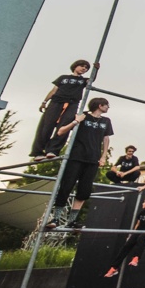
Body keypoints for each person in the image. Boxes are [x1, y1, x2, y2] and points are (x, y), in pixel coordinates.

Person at [45, 97, 113, 230]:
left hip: (93, 159)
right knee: (66, 186)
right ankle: (56, 218)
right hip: (76, 156)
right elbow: (61, 131)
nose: (108, 108)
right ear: (100, 105)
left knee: (84, 190)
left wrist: (103, 156)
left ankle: (72, 221)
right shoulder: (83, 116)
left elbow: (106, 138)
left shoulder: (106, 121)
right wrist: (76, 121)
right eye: (107, 105)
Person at [30, 59, 94, 160]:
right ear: (75, 66)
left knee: (64, 127)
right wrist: (44, 102)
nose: (84, 69)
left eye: (86, 68)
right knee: (46, 126)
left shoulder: (83, 80)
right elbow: (54, 90)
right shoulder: (63, 78)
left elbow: (92, 79)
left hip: (72, 104)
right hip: (56, 102)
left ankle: (52, 150)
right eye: (82, 66)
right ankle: (38, 152)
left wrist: (96, 69)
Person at [104, 197, 145, 278]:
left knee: (140, 239)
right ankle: (114, 268)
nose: (143, 203)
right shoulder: (142, 212)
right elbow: (137, 224)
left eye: (144, 202)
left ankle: (136, 258)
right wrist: (131, 234)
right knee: (126, 246)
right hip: (139, 230)